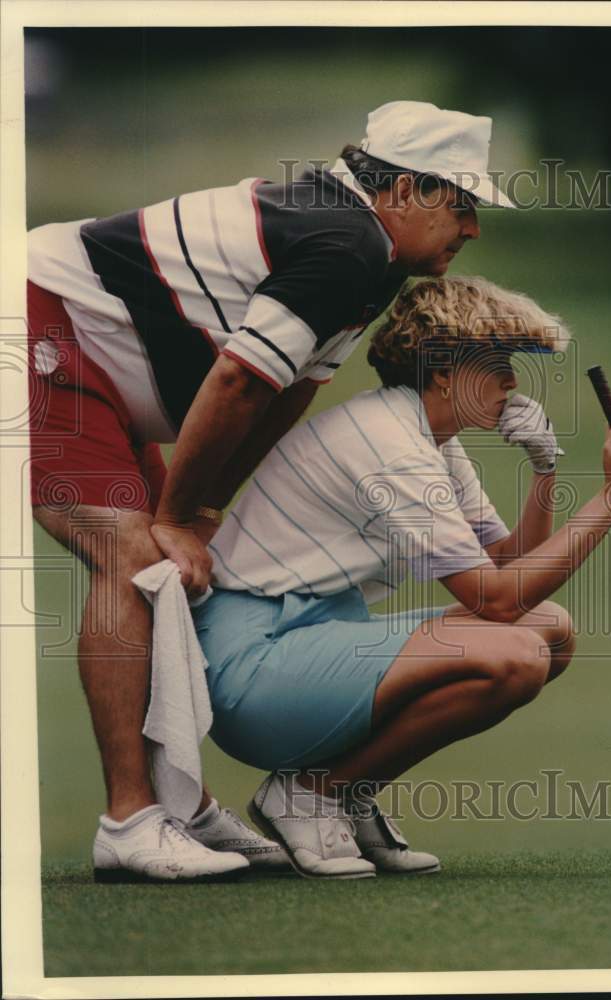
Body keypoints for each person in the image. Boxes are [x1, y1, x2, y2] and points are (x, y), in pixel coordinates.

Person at [27, 101, 515, 881]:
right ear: (410, 191)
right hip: (38, 324)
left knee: (167, 567)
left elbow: (288, 390)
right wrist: (181, 516)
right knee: (131, 554)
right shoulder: (347, 243)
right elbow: (237, 379)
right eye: (463, 204)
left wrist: (204, 513)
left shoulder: (370, 252)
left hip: (95, 367)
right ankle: (128, 820)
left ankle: (175, 805)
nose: (473, 228)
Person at [190, 275, 611, 879]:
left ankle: (340, 793)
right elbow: (496, 602)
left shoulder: (431, 439)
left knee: (552, 631)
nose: (513, 384)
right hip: (252, 668)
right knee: (513, 653)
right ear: (443, 375)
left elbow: (511, 572)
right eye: (497, 366)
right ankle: (313, 793)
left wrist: (545, 471)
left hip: (311, 644)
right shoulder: (394, 446)